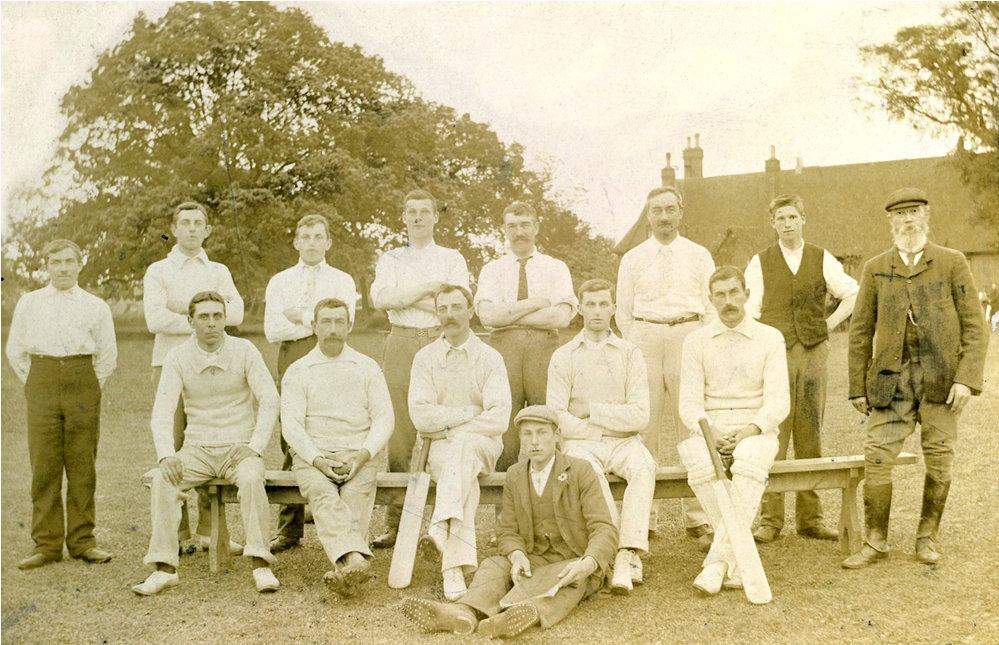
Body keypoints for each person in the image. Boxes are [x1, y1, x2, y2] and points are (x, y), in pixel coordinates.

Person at [843, 187, 988, 568]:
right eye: (900, 214)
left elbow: (975, 326)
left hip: (941, 381)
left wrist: (965, 380)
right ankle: (875, 542)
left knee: (940, 457)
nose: (907, 220)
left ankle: (927, 538)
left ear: (926, 216)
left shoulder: (951, 262)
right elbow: (860, 331)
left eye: (914, 212)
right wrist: (857, 386)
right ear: (890, 221)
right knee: (876, 455)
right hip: (891, 381)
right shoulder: (875, 267)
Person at [400, 405, 618, 638]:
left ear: (557, 436)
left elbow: (604, 528)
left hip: (575, 560)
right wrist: (517, 555)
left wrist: (589, 562)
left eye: (542, 433)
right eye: (527, 434)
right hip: (535, 558)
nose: (534, 441)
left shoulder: (580, 470)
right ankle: (463, 611)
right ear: (521, 439)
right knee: (494, 565)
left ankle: (515, 616)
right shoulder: (515, 474)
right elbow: (507, 530)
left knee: (568, 583)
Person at [132, 291, 279, 595]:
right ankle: (164, 568)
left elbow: (270, 399)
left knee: (252, 478)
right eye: (204, 317)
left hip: (238, 448)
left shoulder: (245, 350)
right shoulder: (177, 356)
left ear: (224, 319)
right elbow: (162, 410)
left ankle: (260, 564)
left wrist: (254, 446)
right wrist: (166, 456)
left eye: (217, 316)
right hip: (196, 449)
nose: (212, 324)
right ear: (191, 321)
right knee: (163, 480)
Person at [743, 194, 859, 543]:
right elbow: (751, 310)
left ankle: (811, 518)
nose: (787, 223)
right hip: (774, 354)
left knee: (810, 431)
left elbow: (852, 293)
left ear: (803, 219)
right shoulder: (759, 261)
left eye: (793, 216)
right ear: (773, 223)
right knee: (772, 432)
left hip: (812, 352)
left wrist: (828, 325)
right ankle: (770, 520)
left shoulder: (821, 258)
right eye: (781, 218)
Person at [676, 266, 790, 595]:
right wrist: (708, 430)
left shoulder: (770, 337)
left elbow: (779, 400)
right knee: (697, 459)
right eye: (720, 295)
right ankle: (737, 560)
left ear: (747, 294)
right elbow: (689, 403)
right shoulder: (695, 341)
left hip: (755, 427)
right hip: (709, 427)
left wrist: (752, 429)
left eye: (734, 292)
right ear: (711, 300)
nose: (728, 301)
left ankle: (718, 563)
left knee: (750, 462)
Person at [6, 239, 118, 569]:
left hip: (83, 379)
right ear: (47, 266)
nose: (64, 268)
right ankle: (47, 544)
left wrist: (87, 384)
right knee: (44, 464)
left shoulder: (95, 305)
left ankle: (83, 541)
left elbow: (107, 355)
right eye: (56, 262)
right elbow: (15, 350)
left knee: (82, 463)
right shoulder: (30, 303)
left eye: (70, 261)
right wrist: (36, 381)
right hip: (41, 378)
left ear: (80, 264)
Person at [369, 189, 469, 549]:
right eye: (411, 212)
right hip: (400, 340)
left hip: (440, 341)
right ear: (403, 217)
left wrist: (407, 296)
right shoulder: (392, 257)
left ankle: (443, 525)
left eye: (424, 212)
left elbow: (455, 308)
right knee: (399, 432)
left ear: (435, 217)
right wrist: (429, 290)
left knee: (444, 428)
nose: (417, 218)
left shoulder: (451, 257)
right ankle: (396, 524)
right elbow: (382, 299)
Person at [616, 186, 715, 548]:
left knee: (691, 426)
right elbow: (623, 312)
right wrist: (635, 344)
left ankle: (699, 517)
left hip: (688, 333)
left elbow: (711, 305)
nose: (664, 216)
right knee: (644, 429)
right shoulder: (633, 258)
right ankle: (644, 518)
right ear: (648, 215)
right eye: (656, 210)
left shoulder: (699, 255)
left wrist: (701, 340)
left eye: (670, 209)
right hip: (645, 336)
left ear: (680, 212)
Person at [143, 201, 244, 552]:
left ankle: (209, 532)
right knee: (173, 443)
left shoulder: (218, 269)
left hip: (214, 363)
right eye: (184, 223)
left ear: (207, 230)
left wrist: (181, 308)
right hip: (170, 364)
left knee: (211, 437)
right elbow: (154, 320)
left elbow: (238, 312)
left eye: (197, 223)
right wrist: (203, 320)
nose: (190, 229)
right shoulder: (158, 270)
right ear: (174, 228)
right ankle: (178, 534)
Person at [546, 278, 654, 595]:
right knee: (588, 472)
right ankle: (611, 550)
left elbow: (641, 415)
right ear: (580, 308)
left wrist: (592, 412)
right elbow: (557, 418)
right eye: (590, 304)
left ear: (614, 308)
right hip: (581, 443)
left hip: (624, 441)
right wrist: (603, 426)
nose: (596, 311)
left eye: (603, 304)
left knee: (644, 466)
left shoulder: (630, 352)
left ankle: (627, 552)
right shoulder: (563, 355)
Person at [281, 298, 393, 594]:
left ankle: (345, 568)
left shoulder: (366, 367)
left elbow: (384, 418)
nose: (332, 329)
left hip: (358, 454)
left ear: (349, 326)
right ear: (314, 326)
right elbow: (291, 425)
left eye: (339, 322)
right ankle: (355, 559)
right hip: (313, 457)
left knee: (355, 496)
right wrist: (317, 459)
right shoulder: (298, 369)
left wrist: (363, 455)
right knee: (323, 494)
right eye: (326, 322)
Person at [408, 284, 512, 600]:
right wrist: (468, 413)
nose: (450, 315)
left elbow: (499, 419)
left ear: (470, 311)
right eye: (443, 309)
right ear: (437, 313)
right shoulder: (425, 358)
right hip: (437, 450)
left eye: (456, 307)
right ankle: (453, 568)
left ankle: (440, 526)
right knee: (466, 480)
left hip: (483, 445)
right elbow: (420, 417)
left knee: (465, 448)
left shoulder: (490, 357)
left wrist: (451, 428)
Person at [264, 213, 358, 554]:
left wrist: (301, 316)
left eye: (318, 237)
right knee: (291, 434)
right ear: (296, 241)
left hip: (333, 356)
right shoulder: (280, 281)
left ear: (328, 242)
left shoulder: (342, 280)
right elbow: (273, 330)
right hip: (292, 356)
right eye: (305, 236)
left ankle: (340, 523)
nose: (312, 243)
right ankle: (289, 529)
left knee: (335, 429)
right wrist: (316, 324)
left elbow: (344, 326)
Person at [474, 201, 577, 471]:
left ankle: (550, 502)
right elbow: (488, 317)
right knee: (505, 426)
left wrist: (509, 314)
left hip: (544, 350)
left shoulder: (555, 267)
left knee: (546, 423)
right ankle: (504, 509)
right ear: (504, 230)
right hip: (502, 351)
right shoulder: (492, 270)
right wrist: (537, 302)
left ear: (536, 227)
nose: (519, 232)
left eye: (524, 225)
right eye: (512, 226)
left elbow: (560, 318)